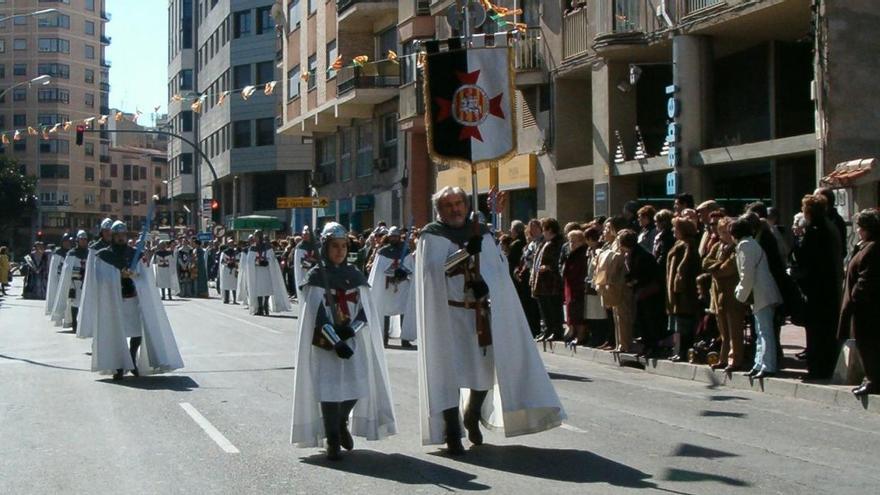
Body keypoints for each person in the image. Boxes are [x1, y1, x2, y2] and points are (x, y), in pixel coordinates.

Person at [414, 186, 565, 455]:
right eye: (448, 205)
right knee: (447, 374)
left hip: (478, 314)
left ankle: (472, 414)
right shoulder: (432, 236)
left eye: (459, 203)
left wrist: (487, 286)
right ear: (439, 209)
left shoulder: (481, 233)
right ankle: (452, 432)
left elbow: (498, 269)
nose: (455, 209)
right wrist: (462, 254)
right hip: (447, 315)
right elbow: (432, 274)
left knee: (482, 372)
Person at [290, 222, 397, 460]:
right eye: (335, 246)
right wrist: (335, 340)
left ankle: (340, 422)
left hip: (352, 339)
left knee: (357, 385)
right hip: (325, 343)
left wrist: (351, 330)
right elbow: (315, 315)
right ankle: (332, 439)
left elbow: (365, 310)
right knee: (328, 391)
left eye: (343, 246)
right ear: (326, 247)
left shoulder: (355, 275)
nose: (340, 251)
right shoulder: (316, 277)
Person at [79, 221, 184, 380]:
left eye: (123, 235)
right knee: (116, 333)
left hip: (132, 297)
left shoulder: (135, 253)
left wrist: (135, 275)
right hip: (114, 301)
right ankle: (119, 366)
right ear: (113, 237)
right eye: (118, 235)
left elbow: (145, 276)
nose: (121, 238)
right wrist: (118, 275)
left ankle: (132, 357)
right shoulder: (104, 255)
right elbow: (101, 279)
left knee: (136, 332)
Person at [792, 194, 844, 380]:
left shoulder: (814, 231)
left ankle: (817, 367)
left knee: (815, 332)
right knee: (826, 331)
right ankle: (825, 365)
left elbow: (805, 258)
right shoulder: (830, 227)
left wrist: (798, 241)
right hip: (829, 287)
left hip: (816, 289)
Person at [731, 216, 782, 379]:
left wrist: (740, 293)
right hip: (759, 293)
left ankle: (768, 365)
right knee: (760, 330)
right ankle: (759, 363)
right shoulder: (749, 244)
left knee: (764, 331)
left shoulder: (745, 246)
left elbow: (747, 274)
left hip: (761, 293)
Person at [838, 209, 880, 396]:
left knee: (868, 343)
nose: (858, 231)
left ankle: (873, 380)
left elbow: (866, 279)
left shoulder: (872, 248)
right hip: (864, 306)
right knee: (865, 343)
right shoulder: (866, 246)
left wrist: (855, 297)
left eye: (861, 228)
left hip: (868, 307)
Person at [703, 217, 748, 372]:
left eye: (726, 232)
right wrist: (717, 265)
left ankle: (735, 360)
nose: (723, 235)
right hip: (717, 294)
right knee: (723, 330)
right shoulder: (717, 246)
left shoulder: (736, 249)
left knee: (734, 328)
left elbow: (727, 269)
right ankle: (723, 358)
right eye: (721, 232)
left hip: (731, 292)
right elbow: (705, 263)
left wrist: (716, 268)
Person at [618, 229, 664, 358]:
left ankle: (653, 347)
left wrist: (632, 282)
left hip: (648, 292)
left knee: (649, 320)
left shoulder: (642, 255)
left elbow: (642, 274)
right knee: (642, 320)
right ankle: (646, 346)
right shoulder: (633, 254)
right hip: (641, 291)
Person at [367, 226, 414, 347]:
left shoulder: (406, 252)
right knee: (385, 311)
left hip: (402, 285)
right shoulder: (383, 252)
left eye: (396, 236)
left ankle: (405, 339)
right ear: (389, 237)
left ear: (399, 237)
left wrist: (404, 272)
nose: (394, 238)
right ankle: (384, 337)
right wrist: (392, 271)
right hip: (387, 286)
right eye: (392, 236)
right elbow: (379, 272)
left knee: (404, 310)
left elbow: (412, 270)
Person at [595, 217, 632, 352]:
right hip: (613, 282)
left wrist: (603, 254)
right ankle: (619, 343)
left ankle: (624, 344)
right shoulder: (611, 243)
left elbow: (618, 259)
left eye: (608, 228)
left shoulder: (620, 241)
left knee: (622, 315)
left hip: (620, 282)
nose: (605, 231)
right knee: (616, 315)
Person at [666, 217, 701, 362]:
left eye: (676, 228)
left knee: (684, 324)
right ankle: (678, 350)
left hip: (685, 292)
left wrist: (678, 287)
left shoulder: (688, 246)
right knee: (678, 324)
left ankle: (684, 351)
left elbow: (684, 270)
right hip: (676, 293)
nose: (674, 230)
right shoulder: (678, 245)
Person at [530, 218, 564, 342]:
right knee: (545, 309)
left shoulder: (557, 243)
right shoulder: (545, 243)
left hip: (551, 283)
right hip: (542, 283)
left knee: (553, 308)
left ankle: (556, 331)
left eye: (544, 229)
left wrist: (549, 267)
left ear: (550, 230)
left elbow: (559, 260)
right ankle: (548, 330)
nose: (543, 232)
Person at [50, 231, 90, 333]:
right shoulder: (72, 254)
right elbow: (67, 270)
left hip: (86, 282)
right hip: (75, 283)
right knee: (75, 304)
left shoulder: (90, 253)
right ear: (77, 240)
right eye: (81, 239)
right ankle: (75, 324)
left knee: (86, 304)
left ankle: (85, 324)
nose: (83, 241)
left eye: (85, 239)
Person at [243, 230, 291, 316]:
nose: (257, 238)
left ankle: (265, 305)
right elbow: (250, 262)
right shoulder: (252, 248)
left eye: (258, 236)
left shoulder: (268, 247)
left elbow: (272, 259)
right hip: (257, 272)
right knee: (258, 290)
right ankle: (260, 307)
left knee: (267, 289)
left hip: (266, 271)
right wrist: (257, 262)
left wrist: (267, 262)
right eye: (256, 236)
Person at [513, 219, 543, 337]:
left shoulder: (541, 242)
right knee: (527, 304)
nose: (533, 230)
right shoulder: (529, 244)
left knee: (534, 305)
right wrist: (517, 270)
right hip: (525, 277)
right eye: (531, 228)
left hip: (535, 276)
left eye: (535, 227)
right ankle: (530, 328)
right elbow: (523, 260)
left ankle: (536, 328)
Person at [562, 230, 588, 345]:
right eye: (570, 241)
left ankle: (581, 335)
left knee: (579, 312)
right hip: (570, 285)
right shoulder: (572, 253)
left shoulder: (582, 253)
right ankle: (574, 332)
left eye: (574, 242)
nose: (571, 244)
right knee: (572, 310)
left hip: (578, 286)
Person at [45, 234, 72, 317]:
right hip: (59, 279)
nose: (67, 243)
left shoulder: (72, 253)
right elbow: (54, 269)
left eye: (69, 242)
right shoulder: (58, 253)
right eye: (66, 241)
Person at [293, 227, 318, 301]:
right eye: (304, 234)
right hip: (304, 272)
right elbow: (302, 263)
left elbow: (322, 258)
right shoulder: (300, 247)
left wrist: (315, 261)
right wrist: (311, 262)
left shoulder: (317, 244)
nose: (305, 236)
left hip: (317, 272)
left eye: (308, 234)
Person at [218, 237, 240, 304]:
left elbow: (238, 261)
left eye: (232, 243)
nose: (231, 244)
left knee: (234, 285)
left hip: (233, 270)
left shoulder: (236, 252)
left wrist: (235, 266)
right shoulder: (224, 252)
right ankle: (226, 299)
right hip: (226, 270)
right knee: (226, 285)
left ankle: (234, 300)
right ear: (228, 244)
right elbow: (222, 261)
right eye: (230, 243)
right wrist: (227, 264)